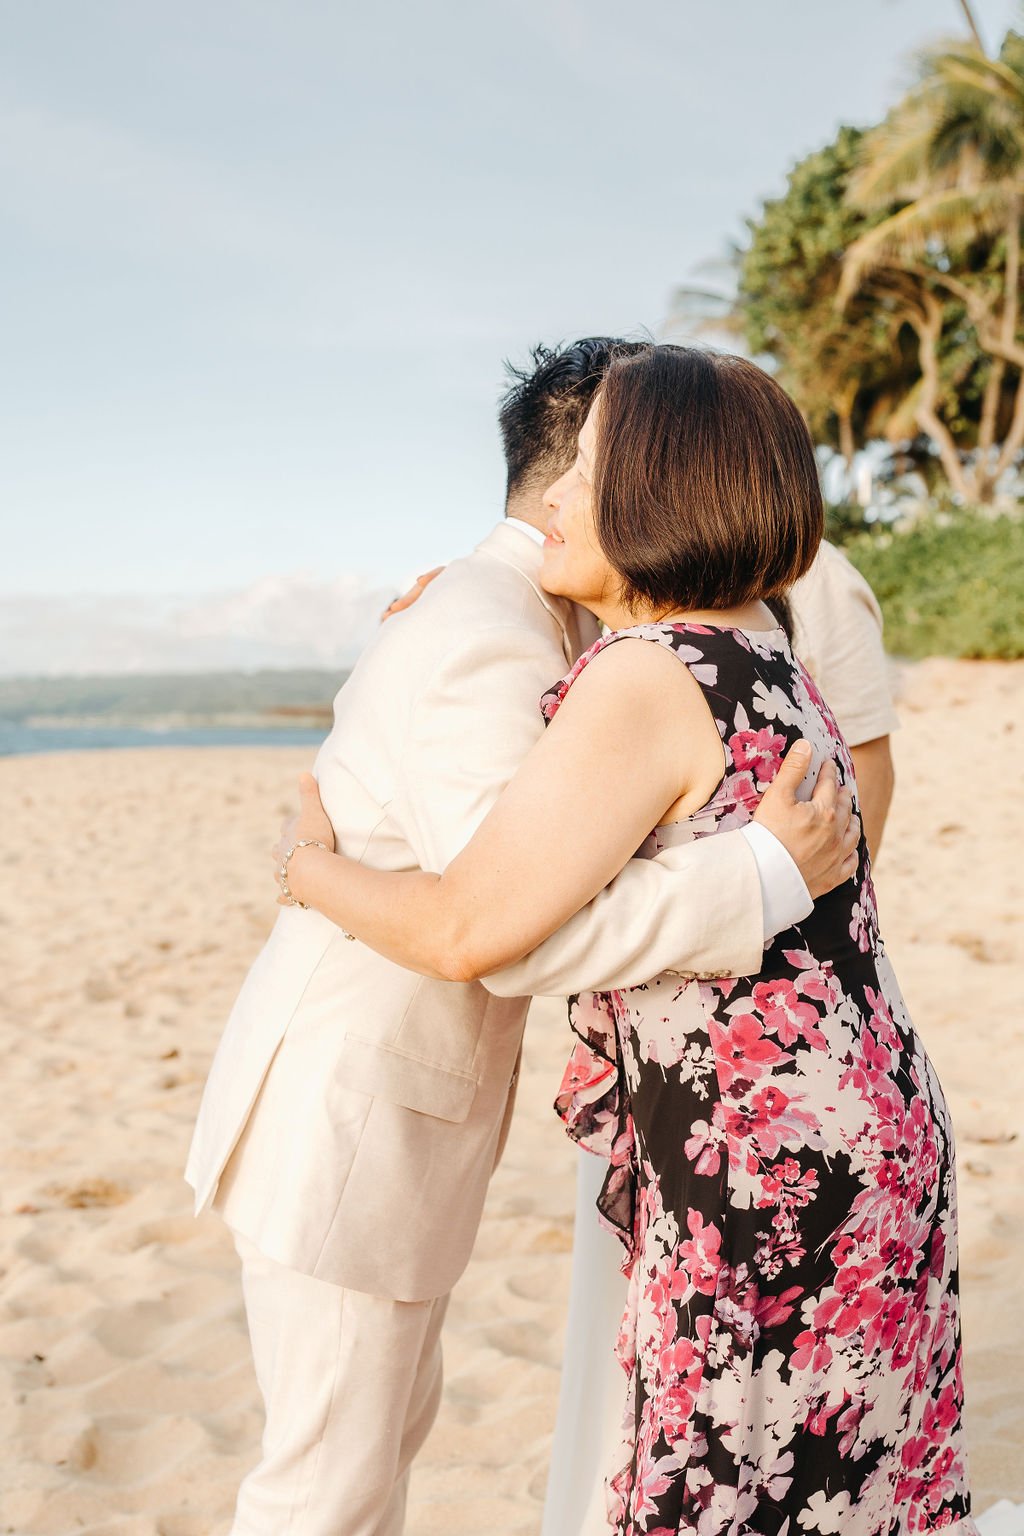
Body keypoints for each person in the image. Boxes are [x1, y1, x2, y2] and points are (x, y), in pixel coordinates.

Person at [278, 345, 975, 1535]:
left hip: (761, 1160)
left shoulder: (649, 676)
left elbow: (464, 928)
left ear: (657, 494)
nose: (548, 498)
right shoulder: (764, 647)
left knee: (724, 1492)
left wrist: (308, 868)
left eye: (585, 472)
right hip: (864, 1119)